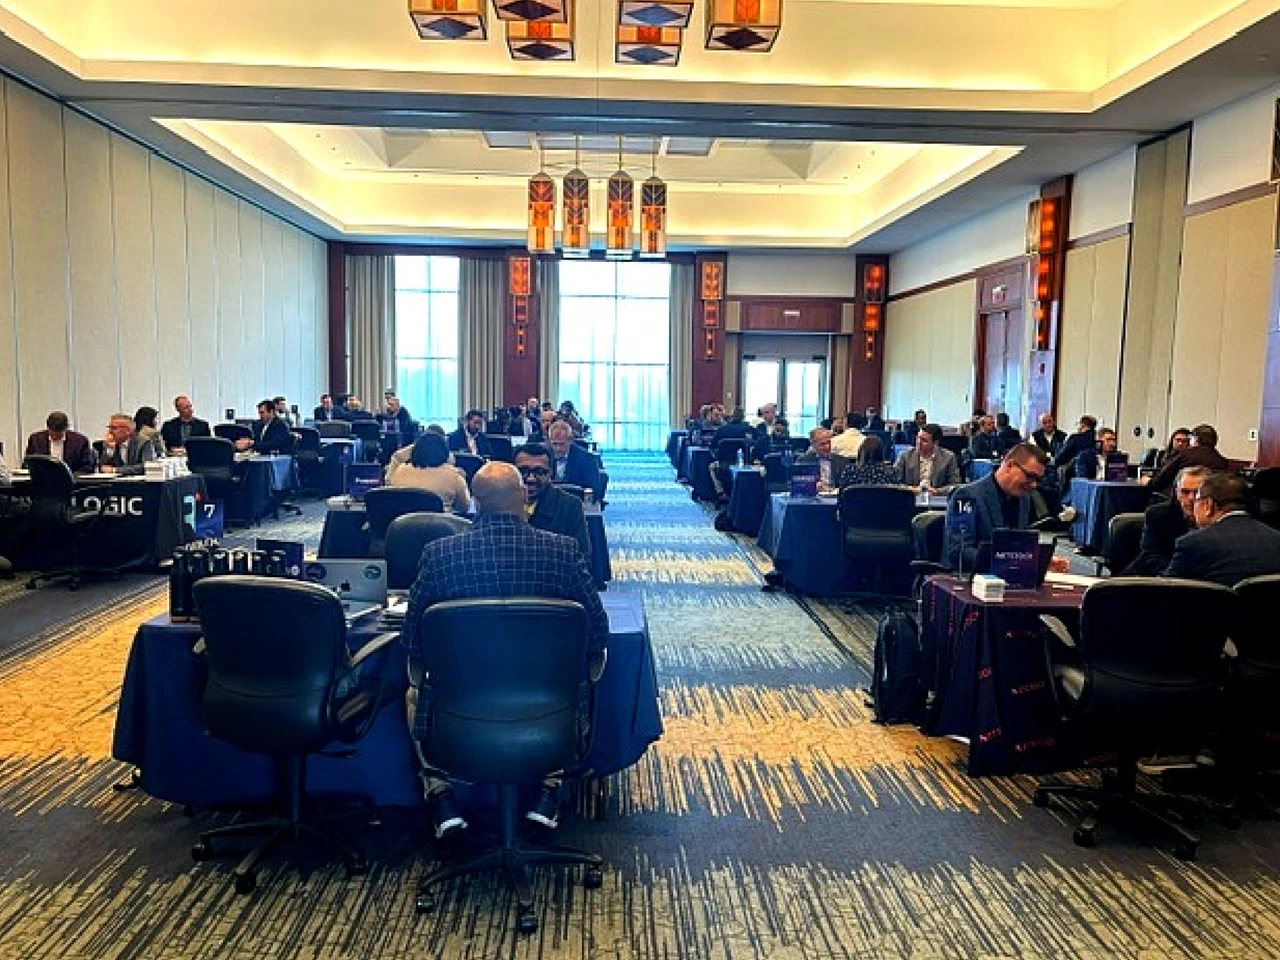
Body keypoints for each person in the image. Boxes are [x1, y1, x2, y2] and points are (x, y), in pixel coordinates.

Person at [401, 462, 608, 839]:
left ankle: (442, 797)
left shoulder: (439, 554)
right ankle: (548, 791)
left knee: (413, 691)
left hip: (461, 711)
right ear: (524, 496)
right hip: (547, 710)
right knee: (573, 680)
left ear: (476, 503)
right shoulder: (563, 551)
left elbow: (412, 641)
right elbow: (597, 634)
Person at [943, 442, 1049, 572]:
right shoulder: (966, 496)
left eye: (1037, 479)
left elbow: (1019, 546)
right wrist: (1003, 562)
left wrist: (1038, 559)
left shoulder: (1024, 499)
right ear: (1009, 465)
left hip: (1009, 577)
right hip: (970, 577)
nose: (1034, 485)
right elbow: (958, 551)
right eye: (1030, 476)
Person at [1162, 472, 1280, 587]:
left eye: (1196, 501)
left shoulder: (1193, 543)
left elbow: (1167, 590)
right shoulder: (1276, 538)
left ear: (1208, 505)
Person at [517, 443, 592, 568]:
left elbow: (582, 558)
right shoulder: (498, 501)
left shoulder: (570, 506)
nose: (531, 479)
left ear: (550, 474)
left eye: (539, 472)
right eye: (523, 471)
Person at [1126, 466, 1208, 575]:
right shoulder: (1158, 515)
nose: (1191, 498)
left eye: (1197, 492)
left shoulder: (1219, 517)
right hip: (1160, 576)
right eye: (1185, 492)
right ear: (1176, 492)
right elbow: (1151, 556)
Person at [386, 433, 471, 513]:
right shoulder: (454, 476)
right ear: (446, 454)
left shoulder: (400, 471)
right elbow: (464, 507)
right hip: (440, 523)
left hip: (402, 522)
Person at [1147, 423, 1229, 497]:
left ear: (1195, 439)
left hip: (1181, 498)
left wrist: (1149, 481)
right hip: (1208, 499)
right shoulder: (1220, 460)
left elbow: (1160, 480)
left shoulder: (1185, 454)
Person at [894, 423, 961, 495]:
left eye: (924, 440)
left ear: (935, 443)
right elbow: (893, 483)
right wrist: (910, 489)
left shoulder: (948, 457)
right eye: (918, 438)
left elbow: (955, 485)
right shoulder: (905, 456)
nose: (919, 442)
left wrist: (937, 491)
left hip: (936, 499)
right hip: (910, 497)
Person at [25, 411, 94, 474]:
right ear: (48, 428)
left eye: (58, 434)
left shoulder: (80, 442)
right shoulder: (36, 440)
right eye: (52, 433)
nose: (54, 436)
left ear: (66, 428)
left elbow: (87, 467)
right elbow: (28, 463)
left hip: (71, 480)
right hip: (42, 479)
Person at [545, 420, 601, 497]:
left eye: (562, 444)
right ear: (548, 441)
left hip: (577, 500)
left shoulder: (587, 459)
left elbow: (594, 490)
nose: (558, 449)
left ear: (570, 440)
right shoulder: (543, 456)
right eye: (554, 444)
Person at [709, 408, 753, 502]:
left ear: (731, 417)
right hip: (745, 465)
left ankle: (721, 493)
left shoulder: (722, 429)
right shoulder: (748, 429)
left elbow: (712, 446)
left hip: (723, 464)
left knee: (711, 467)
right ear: (743, 417)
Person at [797, 427, 842, 493]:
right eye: (822, 444)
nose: (827, 446)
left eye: (829, 442)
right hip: (813, 496)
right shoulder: (804, 460)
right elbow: (799, 485)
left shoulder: (841, 461)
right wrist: (812, 486)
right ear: (813, 445)